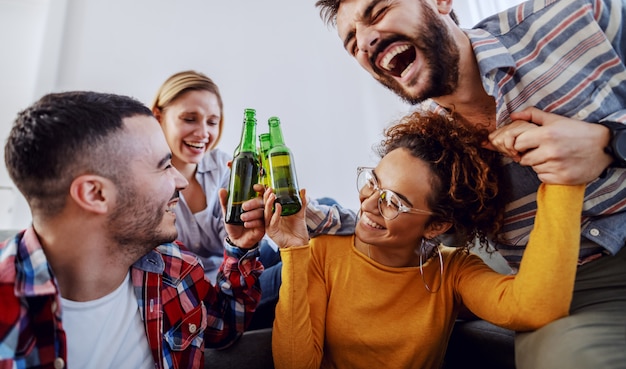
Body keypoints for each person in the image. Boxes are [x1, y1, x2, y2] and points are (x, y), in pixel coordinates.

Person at [315, 0, 626, 367]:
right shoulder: (438, 156)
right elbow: (404, 222)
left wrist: (609, 143)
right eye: (353, 41)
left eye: (379, 11)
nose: (367, 39)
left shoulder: (583, 13)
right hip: (581, 293)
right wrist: (308, 222)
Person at [264, 111, 585, 369]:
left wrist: (564, 178)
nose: (368, 203)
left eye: (394, 201)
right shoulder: (322, 254)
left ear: (436, 225)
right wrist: (293, 251)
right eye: (373, 182)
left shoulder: (453, 270)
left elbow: (532, 307)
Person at [0, 91, 266, 369]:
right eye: (164, 166)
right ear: (95, 194)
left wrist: (241, 247)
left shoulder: (171, 265)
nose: (181, 181)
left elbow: (223, 327)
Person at [150, 70, 356, 329]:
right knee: (313, 260)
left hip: (238, 266)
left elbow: (250, 240)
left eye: (212, 122)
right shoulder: (150, 187)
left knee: (322, 205)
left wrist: (266, 206)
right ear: (158, 117)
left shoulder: (222, 167)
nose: (203, 133)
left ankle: (374, 242)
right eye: (190, 119)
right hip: (211, 295)